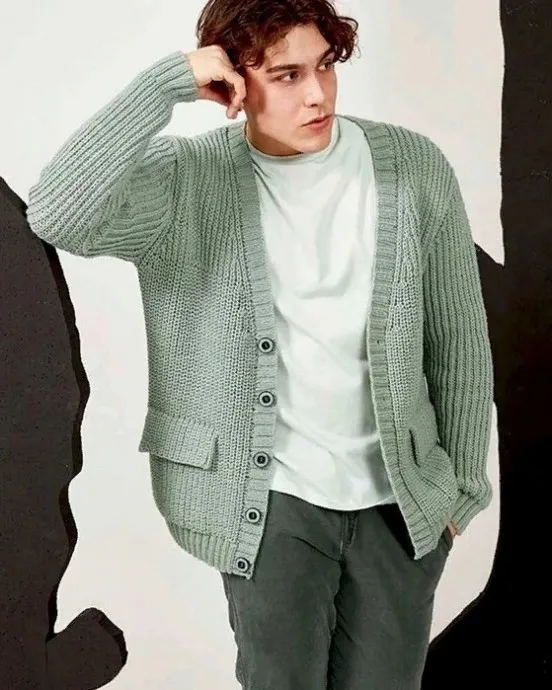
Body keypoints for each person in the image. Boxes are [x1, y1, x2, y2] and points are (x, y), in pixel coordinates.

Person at [26, 0, 494, 687]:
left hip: (399, 505)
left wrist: (460, 494)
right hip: (269, 504)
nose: (317, 94)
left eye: (325, 66)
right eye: (286, 75)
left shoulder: (413, 169)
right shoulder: (185, 182)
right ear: (233, 81)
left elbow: (459, 342)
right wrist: (165, 83)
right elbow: (56, 212)